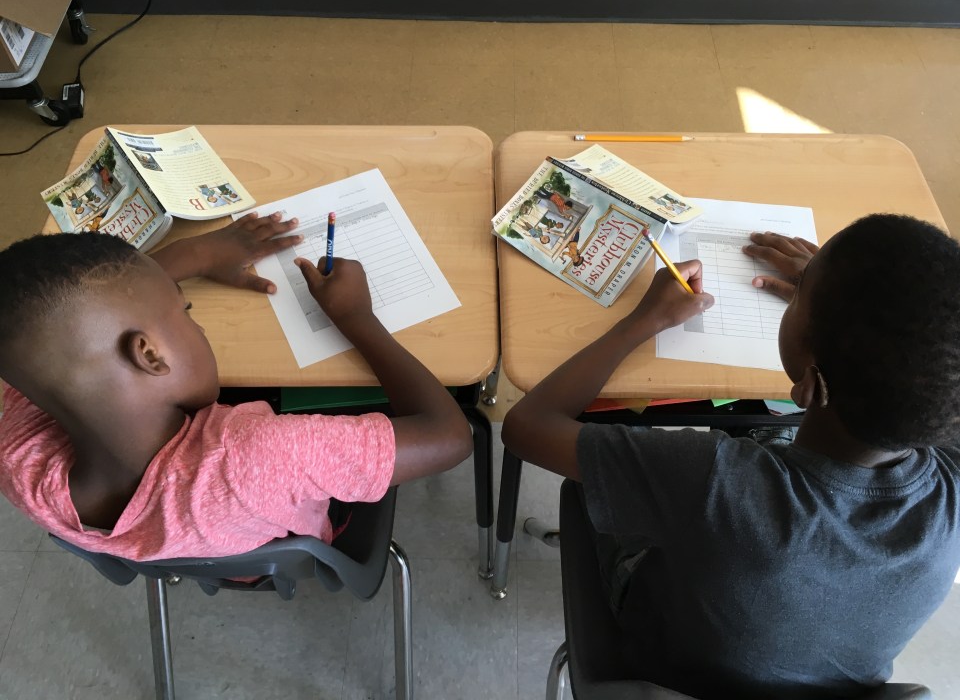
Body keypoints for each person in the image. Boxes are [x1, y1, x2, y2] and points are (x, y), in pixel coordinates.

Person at [502, 213, 960, 699]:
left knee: (599, 475)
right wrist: (837, 312)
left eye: (801, 291)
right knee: (764, 430)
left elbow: (526, 427)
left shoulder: (714, 480)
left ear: (808, 384)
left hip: (660, 661)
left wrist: (644, 321)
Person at [0, 211, 472, 562]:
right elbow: (450, 438)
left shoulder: (18, 460)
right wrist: (355, 317)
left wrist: (201, 253)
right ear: (149, 355)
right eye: (185, 311)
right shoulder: (256, 456)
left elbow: (59, 321)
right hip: (288, 540)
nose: (195, 324)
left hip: (208, 548)